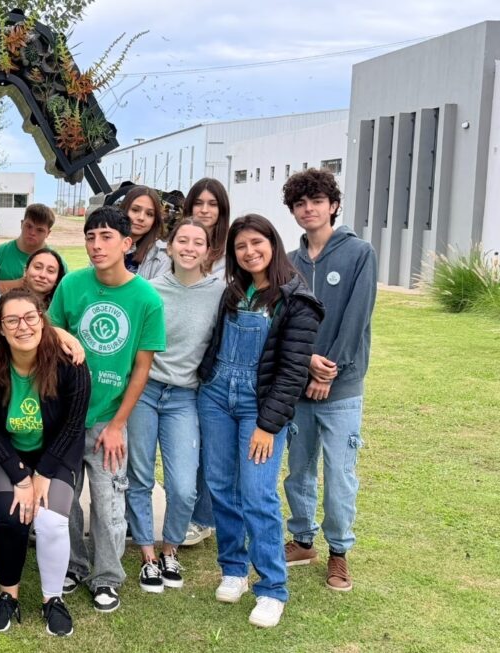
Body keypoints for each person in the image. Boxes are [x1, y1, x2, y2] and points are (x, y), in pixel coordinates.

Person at [197, 214, 323, 629]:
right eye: (240, 247)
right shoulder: (234, 291)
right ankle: (233, 569)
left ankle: (271, 588)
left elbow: (291, 372)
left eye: (257, 243)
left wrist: (268, 425)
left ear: (273, 243)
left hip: (260, 406)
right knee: (220, 486)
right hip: (216, 397)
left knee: (257, 494)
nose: (250, 252)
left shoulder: (296, 300)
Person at [49, 205, 166, 613]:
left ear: (127, 243)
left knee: (108, 505)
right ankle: (75, 565)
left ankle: (107, 577)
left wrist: (118, 424)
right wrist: (62, 331)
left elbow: (142, 368)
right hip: (66, 417)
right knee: (63, 502)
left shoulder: (146, 298)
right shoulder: (72, 285)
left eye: (106, 237)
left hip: (107, 421)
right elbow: (49, 328)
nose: (96, 246)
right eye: (90, 237)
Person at [0, 288, 90, 637]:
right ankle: (9, 596)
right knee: (12, 518)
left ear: (42, 319)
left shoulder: (71, 364)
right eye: (11, 320)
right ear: (1, 328)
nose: (22, 326)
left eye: (29, 317)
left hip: (57, 453)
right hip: (9, 455)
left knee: (52, 522)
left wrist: (43, 473)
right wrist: (21, 477)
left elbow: (73, 425)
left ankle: (53, 599)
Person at [281, 168, 377, 592]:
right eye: (300, 204)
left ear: (333, 205)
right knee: (298, 468)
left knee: (339, 473)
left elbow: (356, 319)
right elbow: (283, 323)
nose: (308, 209)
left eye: (316, 201)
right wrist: (305, 367)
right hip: (299, 386)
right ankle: (303, 540)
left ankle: (339, 551)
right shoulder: (289, 262)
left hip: (342, 389)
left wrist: (329, 370)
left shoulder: (359, 253)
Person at [125, 218, 225, 594]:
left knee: (183, 486)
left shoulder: (219, 293)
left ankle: (171, 550)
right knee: (139, 477)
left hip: (185, 397)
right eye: (182, 240)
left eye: (197, 242)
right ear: (169, 246)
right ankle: (148, 557)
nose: (189, 247)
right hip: (145, 391)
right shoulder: (147, 290)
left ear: (208, 250)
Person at [179, 176, 233, 546]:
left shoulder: (232, 252)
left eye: (212, 204)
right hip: (185, 360)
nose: (204, 209)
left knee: (212, 446)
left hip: (222, 358)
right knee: (190, 445)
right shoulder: (182, 244)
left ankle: (204, 517)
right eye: (198, 203)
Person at [0, 204, 63, 291]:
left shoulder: (56, 261)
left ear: (48, 233)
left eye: (39, 230)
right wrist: (20, 284)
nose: (32, 232)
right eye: (29, 226)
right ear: (22, 224)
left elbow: (65, 292)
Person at [120, 186, 171, 279]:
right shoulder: (106, 244)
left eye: (149, 214)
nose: (141, 218)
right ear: (124, 210)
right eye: (135, 210)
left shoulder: (162, 256)